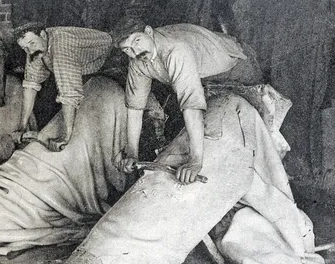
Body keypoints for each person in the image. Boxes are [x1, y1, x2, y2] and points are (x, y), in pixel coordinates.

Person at [111, 19, 263, 183]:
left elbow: (192, 105)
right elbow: (135, 108)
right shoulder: (138, 59)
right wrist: (132, 153)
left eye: (137, 41)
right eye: (127, 49)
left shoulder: (176, 49)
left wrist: (196, 161)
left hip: (236, 72)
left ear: (148, 31)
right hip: (201, 80)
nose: (135, 52)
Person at [12, 22, 112, 152]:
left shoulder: (61, 45)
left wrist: (65, 137)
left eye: (32, 43)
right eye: (24, 47)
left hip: (109, 59)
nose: (29, 51)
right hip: (80, 65)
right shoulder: (35, 47)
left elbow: (69, 93)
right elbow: (31, 84)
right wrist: (22, 126)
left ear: (42, 34)